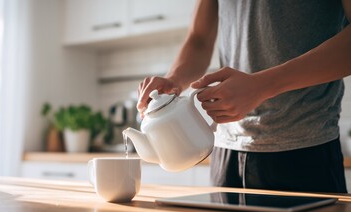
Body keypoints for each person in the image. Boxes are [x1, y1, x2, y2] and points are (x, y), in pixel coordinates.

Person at [137, 0, 351, 193]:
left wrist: (262, 85)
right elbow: (199, 39)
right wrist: (174, 79)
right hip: (226, 152)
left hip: (305, 149)